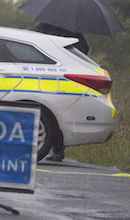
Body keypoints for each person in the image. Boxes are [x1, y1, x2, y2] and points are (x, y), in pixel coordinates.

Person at [34, 22, 89, 162]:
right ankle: (58, 150)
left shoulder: (44, 27)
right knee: (59, 115)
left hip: (45, 75)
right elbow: (84, 50)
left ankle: (53, 149)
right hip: (66, 76)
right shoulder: (75, 33)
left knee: (46, 113)